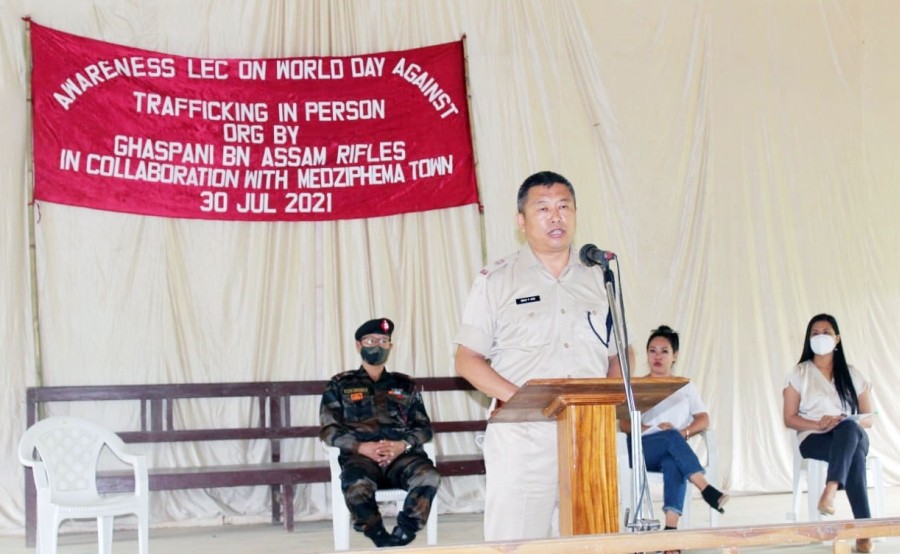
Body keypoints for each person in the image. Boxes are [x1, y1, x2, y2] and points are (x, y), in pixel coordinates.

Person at [454, 170, 627, 541]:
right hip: (524, 434)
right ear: (521, 221)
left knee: (593, 542)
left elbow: (617, 354)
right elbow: (467, 359)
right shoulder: (497, 280)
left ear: (576, 213)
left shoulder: (600, 278)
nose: (556, 216)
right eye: (543, 208)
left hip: (589, 432)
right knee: (518, 543)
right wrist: (525, 402)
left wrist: (605, 401)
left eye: (564, 207)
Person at [320, 318, 440, 548]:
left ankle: (405, 531)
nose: (378, 344)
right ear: (358, 345)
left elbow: (424, 427)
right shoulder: (340, 384)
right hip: (360, 459)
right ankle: (377, 534)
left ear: (390, 347)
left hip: (402, 458)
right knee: (355, 484)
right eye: (371, 340)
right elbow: (329, 429)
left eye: (384, 340)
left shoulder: (405, 384)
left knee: (429, 476)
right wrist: (360, 447)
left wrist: (402, 445)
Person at [619, 325, 728, 549]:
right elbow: (624, 423)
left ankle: (670, 532)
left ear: (674, 356)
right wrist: (655, 427)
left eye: (664, 351)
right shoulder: (636, 385)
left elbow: (703, 418)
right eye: (652, 350)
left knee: (673, 463)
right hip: (642, 449)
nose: (657, 356)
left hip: (672, 449)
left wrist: (683, 432)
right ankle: (706, 488)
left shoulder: (685, 386)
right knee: (669, 436)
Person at [783, 313, 875, 553]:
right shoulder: (799, 373)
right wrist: (819, 425)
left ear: (838, 339)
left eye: (826, 333)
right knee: (853, 454)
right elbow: (789, 418)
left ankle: (831, 488)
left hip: (852, 433)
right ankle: (865, 532)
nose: (820, 337)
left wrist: (842, 421)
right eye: (815, 333)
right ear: (808, 339)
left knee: (849, 428)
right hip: (814, 437)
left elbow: (869, 417)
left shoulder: (852, 374)